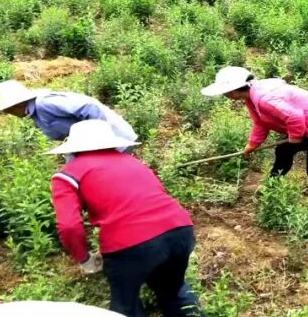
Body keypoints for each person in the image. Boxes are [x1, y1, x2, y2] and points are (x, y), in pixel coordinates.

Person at [48, 120, 204, 317]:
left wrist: (84, 259)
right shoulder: (133, 162)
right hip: (180, 230)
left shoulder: (66, 176)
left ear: (72, 150)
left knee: (125, 306)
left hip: (131, 244)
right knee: (174, 291)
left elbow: (69, 226)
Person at [201, 67, 308, 209]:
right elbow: (261, 122)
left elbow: (295, 117)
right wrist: (252, 144)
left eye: (224, 91)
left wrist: (295, 138)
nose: (224, 94)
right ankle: (271, 186)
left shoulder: (264, 99)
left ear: (233, 91)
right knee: (283, 150)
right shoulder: (252, 97)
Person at [0, 80, 137, 146]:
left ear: (15, 105)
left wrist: (104, 141)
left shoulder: (44, 103)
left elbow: (89, 108)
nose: (7, 113)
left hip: (117, 140)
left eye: (6, 110)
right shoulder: (36, 115)